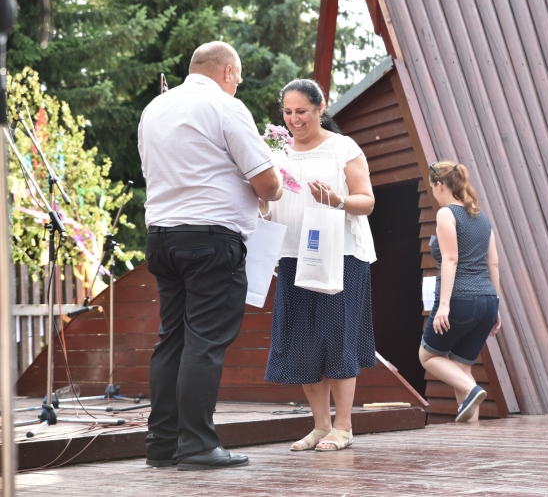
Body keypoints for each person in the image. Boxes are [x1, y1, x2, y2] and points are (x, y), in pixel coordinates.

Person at [139, 41, 282, 469]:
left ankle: (162, 443)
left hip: (162, 237)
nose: (236, 85)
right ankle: (198, 445)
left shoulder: (154, 109)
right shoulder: (224, 107)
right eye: (237, 77)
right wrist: (266, 195)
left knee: (173, 339)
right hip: (211, 241)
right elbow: (268, 182)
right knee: (203, 341)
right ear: (227, 71)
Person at [264, 79, 377, 452]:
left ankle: (343, 427)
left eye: (302, 112)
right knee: (302, 341)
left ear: (320, 108)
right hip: (293, 255)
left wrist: (337, 200)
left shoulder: (342, 148)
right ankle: (319, 425)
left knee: (336, 338)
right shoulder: (278, 153)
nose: (295, 119)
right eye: (288, 112)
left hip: (340, 255)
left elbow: (367, 201)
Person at [418, 161, 501, 423]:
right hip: (487, 301)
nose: (433, 192)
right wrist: (496, 304)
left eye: (432, 187)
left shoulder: (447, 214)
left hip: (460, 299)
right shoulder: (482, 216)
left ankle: (473, 389)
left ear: (440, 185)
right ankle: (470, 436)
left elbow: (451, 260)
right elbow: (494, 263)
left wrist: (443, 306)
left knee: (428, 356)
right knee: (462, 368)